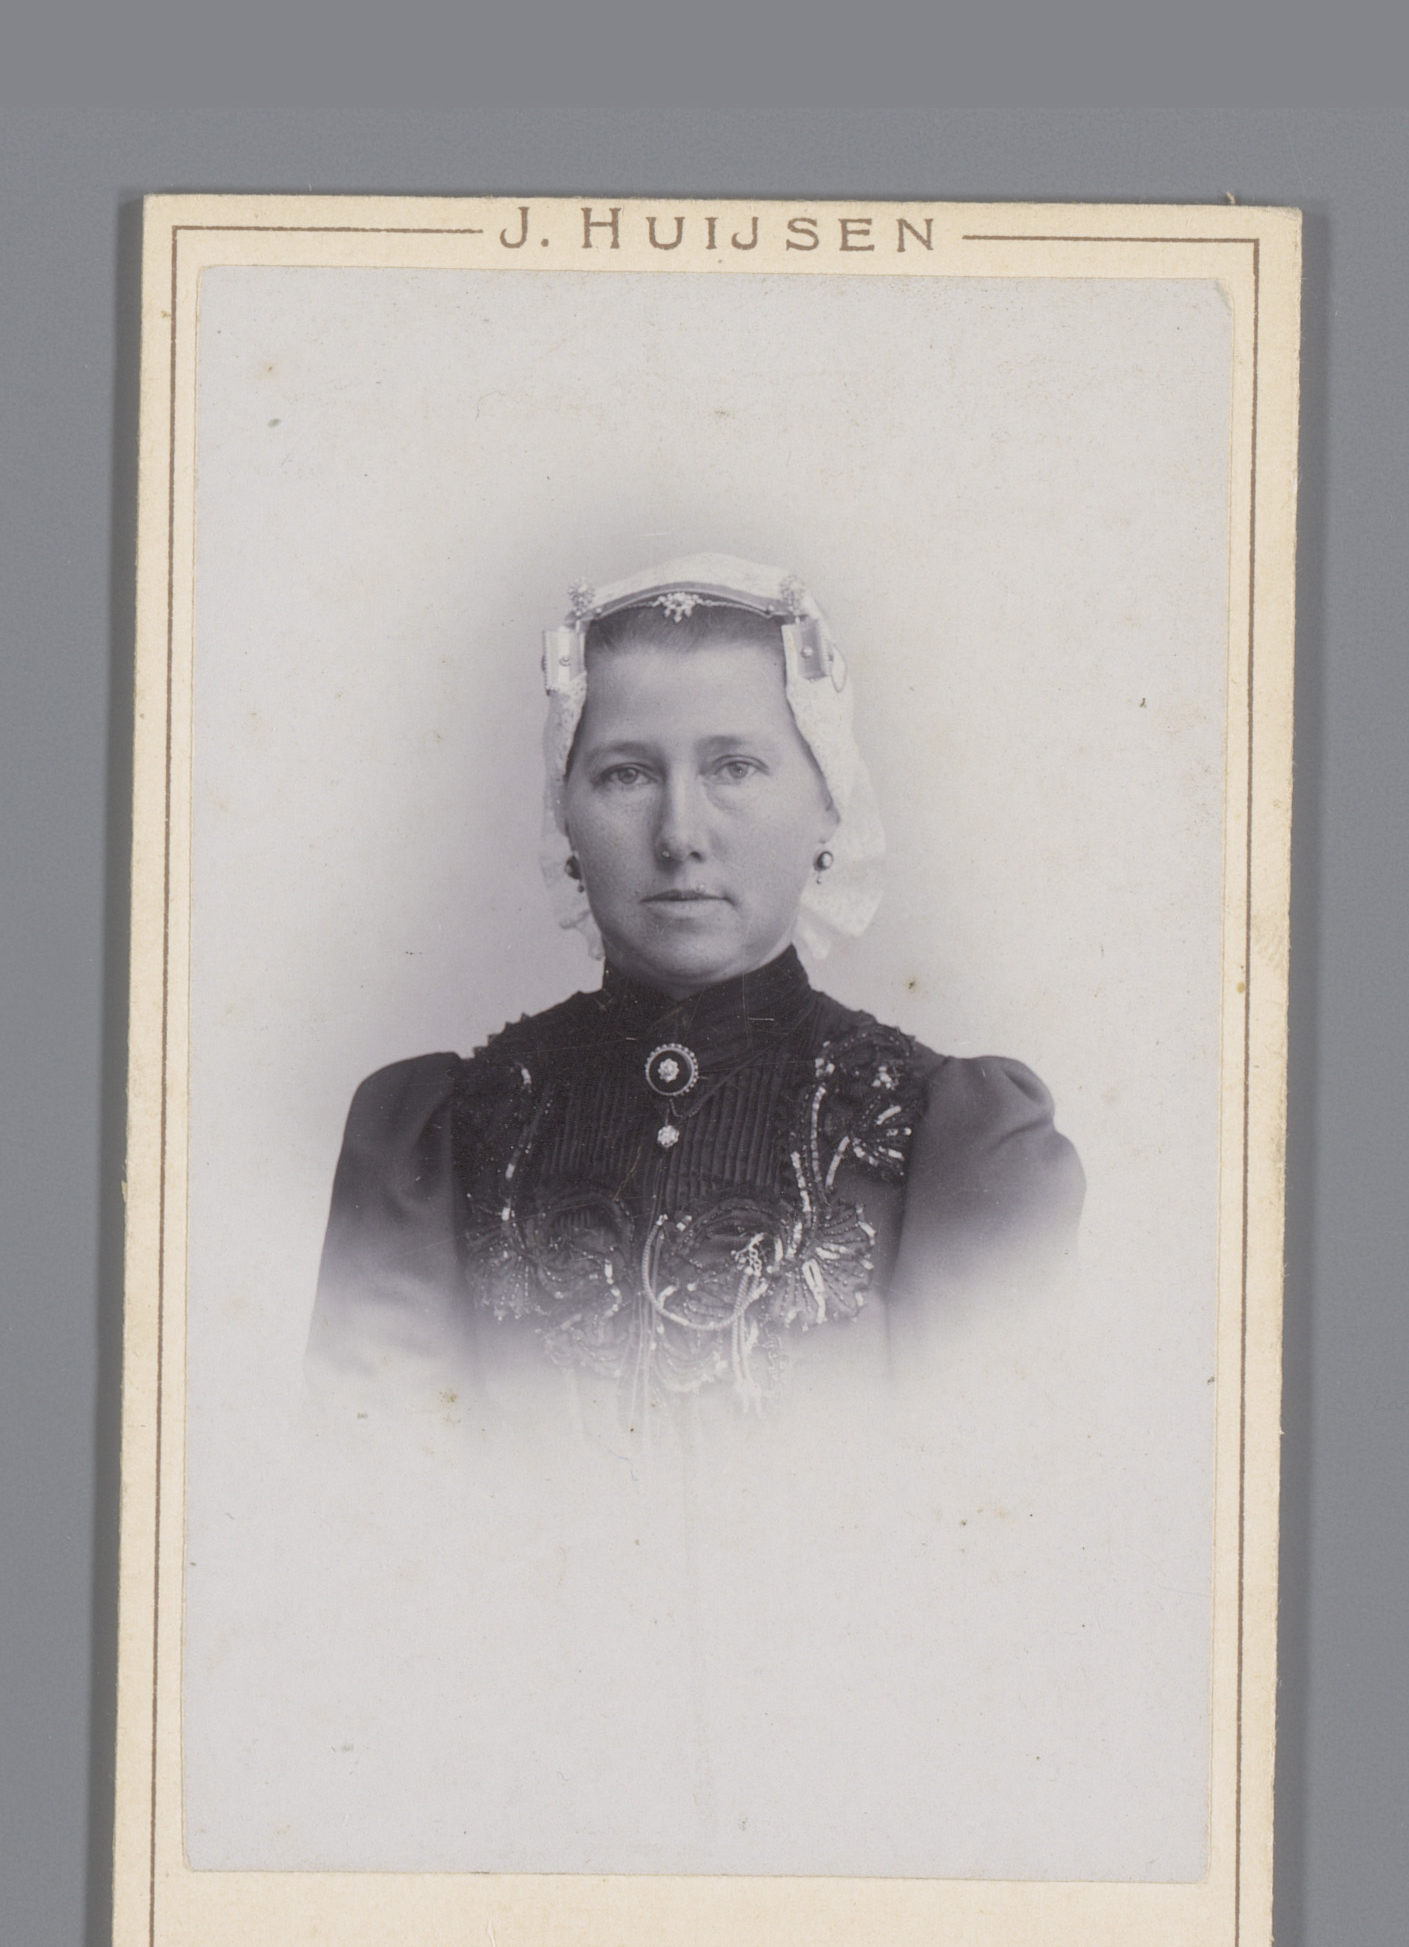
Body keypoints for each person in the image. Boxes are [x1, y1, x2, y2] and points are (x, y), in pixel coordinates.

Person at [309, 554, 1084, 1423]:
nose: (678, 834)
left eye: (734, 768)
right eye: (626, 774)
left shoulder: (959, 1145)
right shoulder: (439, 1138)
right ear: (565, 813)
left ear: (826, 804)